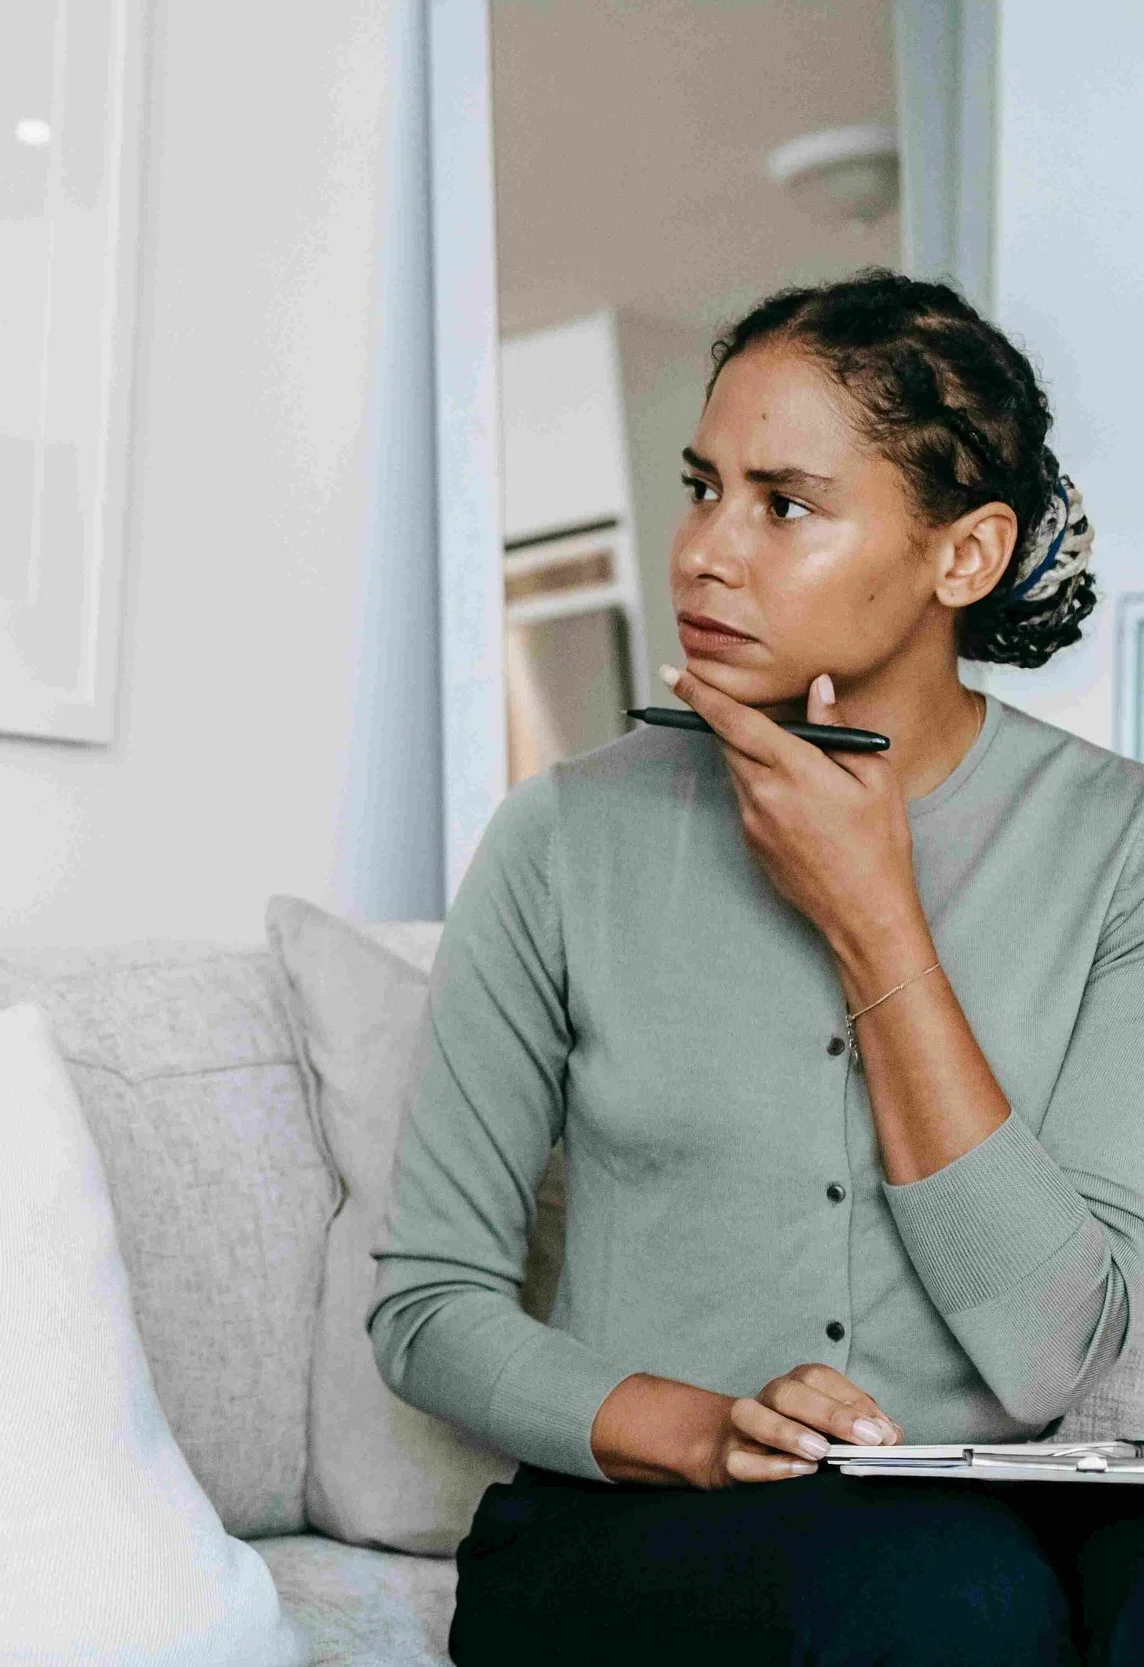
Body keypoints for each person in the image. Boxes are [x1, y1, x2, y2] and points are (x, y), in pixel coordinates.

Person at [370, 270, 1144, 1666]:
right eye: (703, 486)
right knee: (950, 1601)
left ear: (963, 557)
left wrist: (876, 919)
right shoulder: (568, 834)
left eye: (784, 504)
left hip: (1002, 1514)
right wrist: (696, 1428)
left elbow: (1055, 1357)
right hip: (635, 1530)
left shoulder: (1120, 848)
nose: (707, 552)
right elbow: (430, 1305)